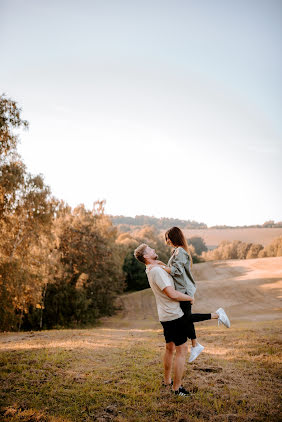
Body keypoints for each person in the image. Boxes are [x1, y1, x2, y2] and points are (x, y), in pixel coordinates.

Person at [134, 243, 227, 397]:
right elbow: (172, 293)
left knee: (170, 348)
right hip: (174, 315)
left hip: (165, 315)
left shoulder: (150, 269)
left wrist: (160, 263)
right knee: (182, 350)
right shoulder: (157, 271)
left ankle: (167, 381)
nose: (154, 250)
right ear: (145, 256)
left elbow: (161, 271)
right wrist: (189, 297)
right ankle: (177, 389)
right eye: (151, 250)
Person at [153, 226, 230, 363]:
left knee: (185, 319)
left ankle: (217, 315)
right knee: (186, 318)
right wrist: (162, 264)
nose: (167, 241)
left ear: (174, 237)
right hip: (181, 289)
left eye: (168, 237)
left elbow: (176, 271)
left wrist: (161, 267)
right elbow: (175, 270)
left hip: (184, 290)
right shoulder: (177, 251)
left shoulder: (180, 251)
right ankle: (195, 344)